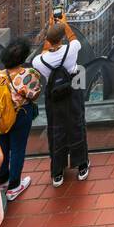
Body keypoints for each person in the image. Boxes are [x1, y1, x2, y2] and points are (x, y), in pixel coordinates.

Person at [0, 37, 40, 201]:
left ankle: (2, 179)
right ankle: (14, 186)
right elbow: (34, 94)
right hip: (20, 115)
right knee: (18, 149)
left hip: (0, 118)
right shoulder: (28, 74)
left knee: (3, 147)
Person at [32, 18, 89, 188]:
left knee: (56, 130)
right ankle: (82, 165)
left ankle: (57, 172)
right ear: (62, 37)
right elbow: (74, 39)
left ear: (48, 40)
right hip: (72, 93)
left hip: (54, 98)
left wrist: (51, 29)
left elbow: (44, 53)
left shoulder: (39, 61)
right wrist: (64, 25)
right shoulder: (71, 50)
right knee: (77, 125)